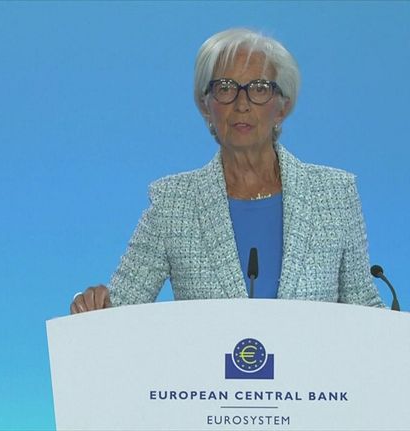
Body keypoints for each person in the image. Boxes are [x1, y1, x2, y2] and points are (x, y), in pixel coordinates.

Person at [70, 28, 384, 314]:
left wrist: (406, 339)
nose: (241, 104)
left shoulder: (335, 195)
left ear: (283, 107)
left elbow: (365, 307)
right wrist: (92, 305)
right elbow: (119, 306)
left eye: (259, 88)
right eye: (225, 88)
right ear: (205, 105)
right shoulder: (172, 203)